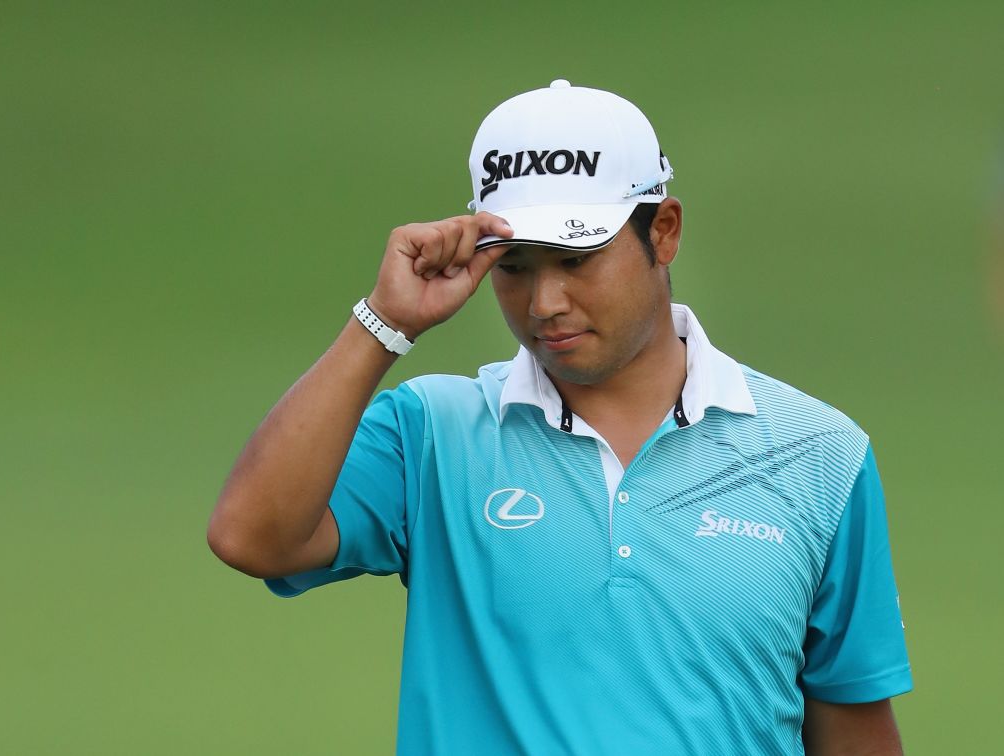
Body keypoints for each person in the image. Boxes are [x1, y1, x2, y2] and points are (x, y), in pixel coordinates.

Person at [207, 79, 912, 754]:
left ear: (662, 232)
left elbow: (853, 732)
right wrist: (383, 323)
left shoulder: (819, 455)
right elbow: (251, 536)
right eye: (513, 266)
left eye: (576, 258)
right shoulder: (433, 436)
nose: (544, 302)